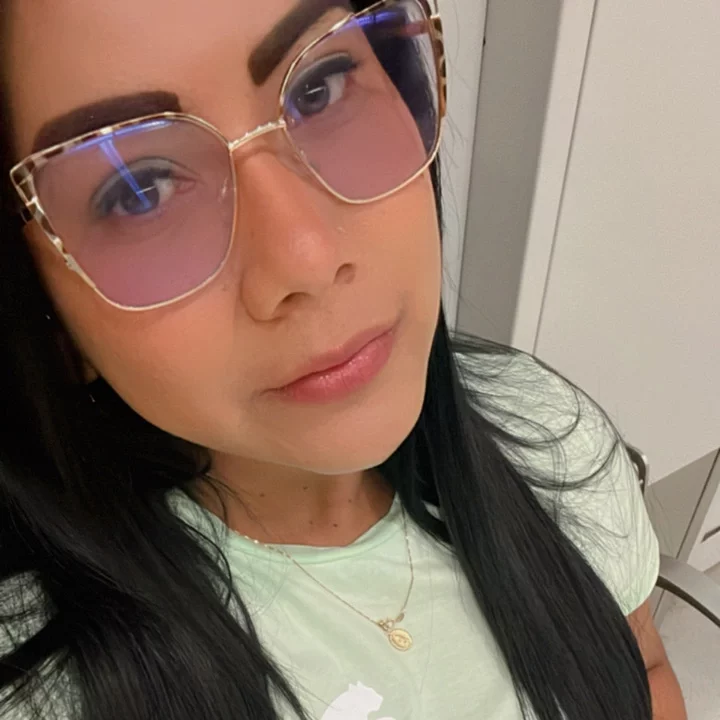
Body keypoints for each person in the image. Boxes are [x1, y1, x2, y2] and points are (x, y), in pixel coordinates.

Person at [0, 1, 687, 718]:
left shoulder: (543, 432)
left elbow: (641, 664)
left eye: (318, 87)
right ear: (40, 309)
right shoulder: (41, 688)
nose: (308, 256)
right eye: (140, 191)